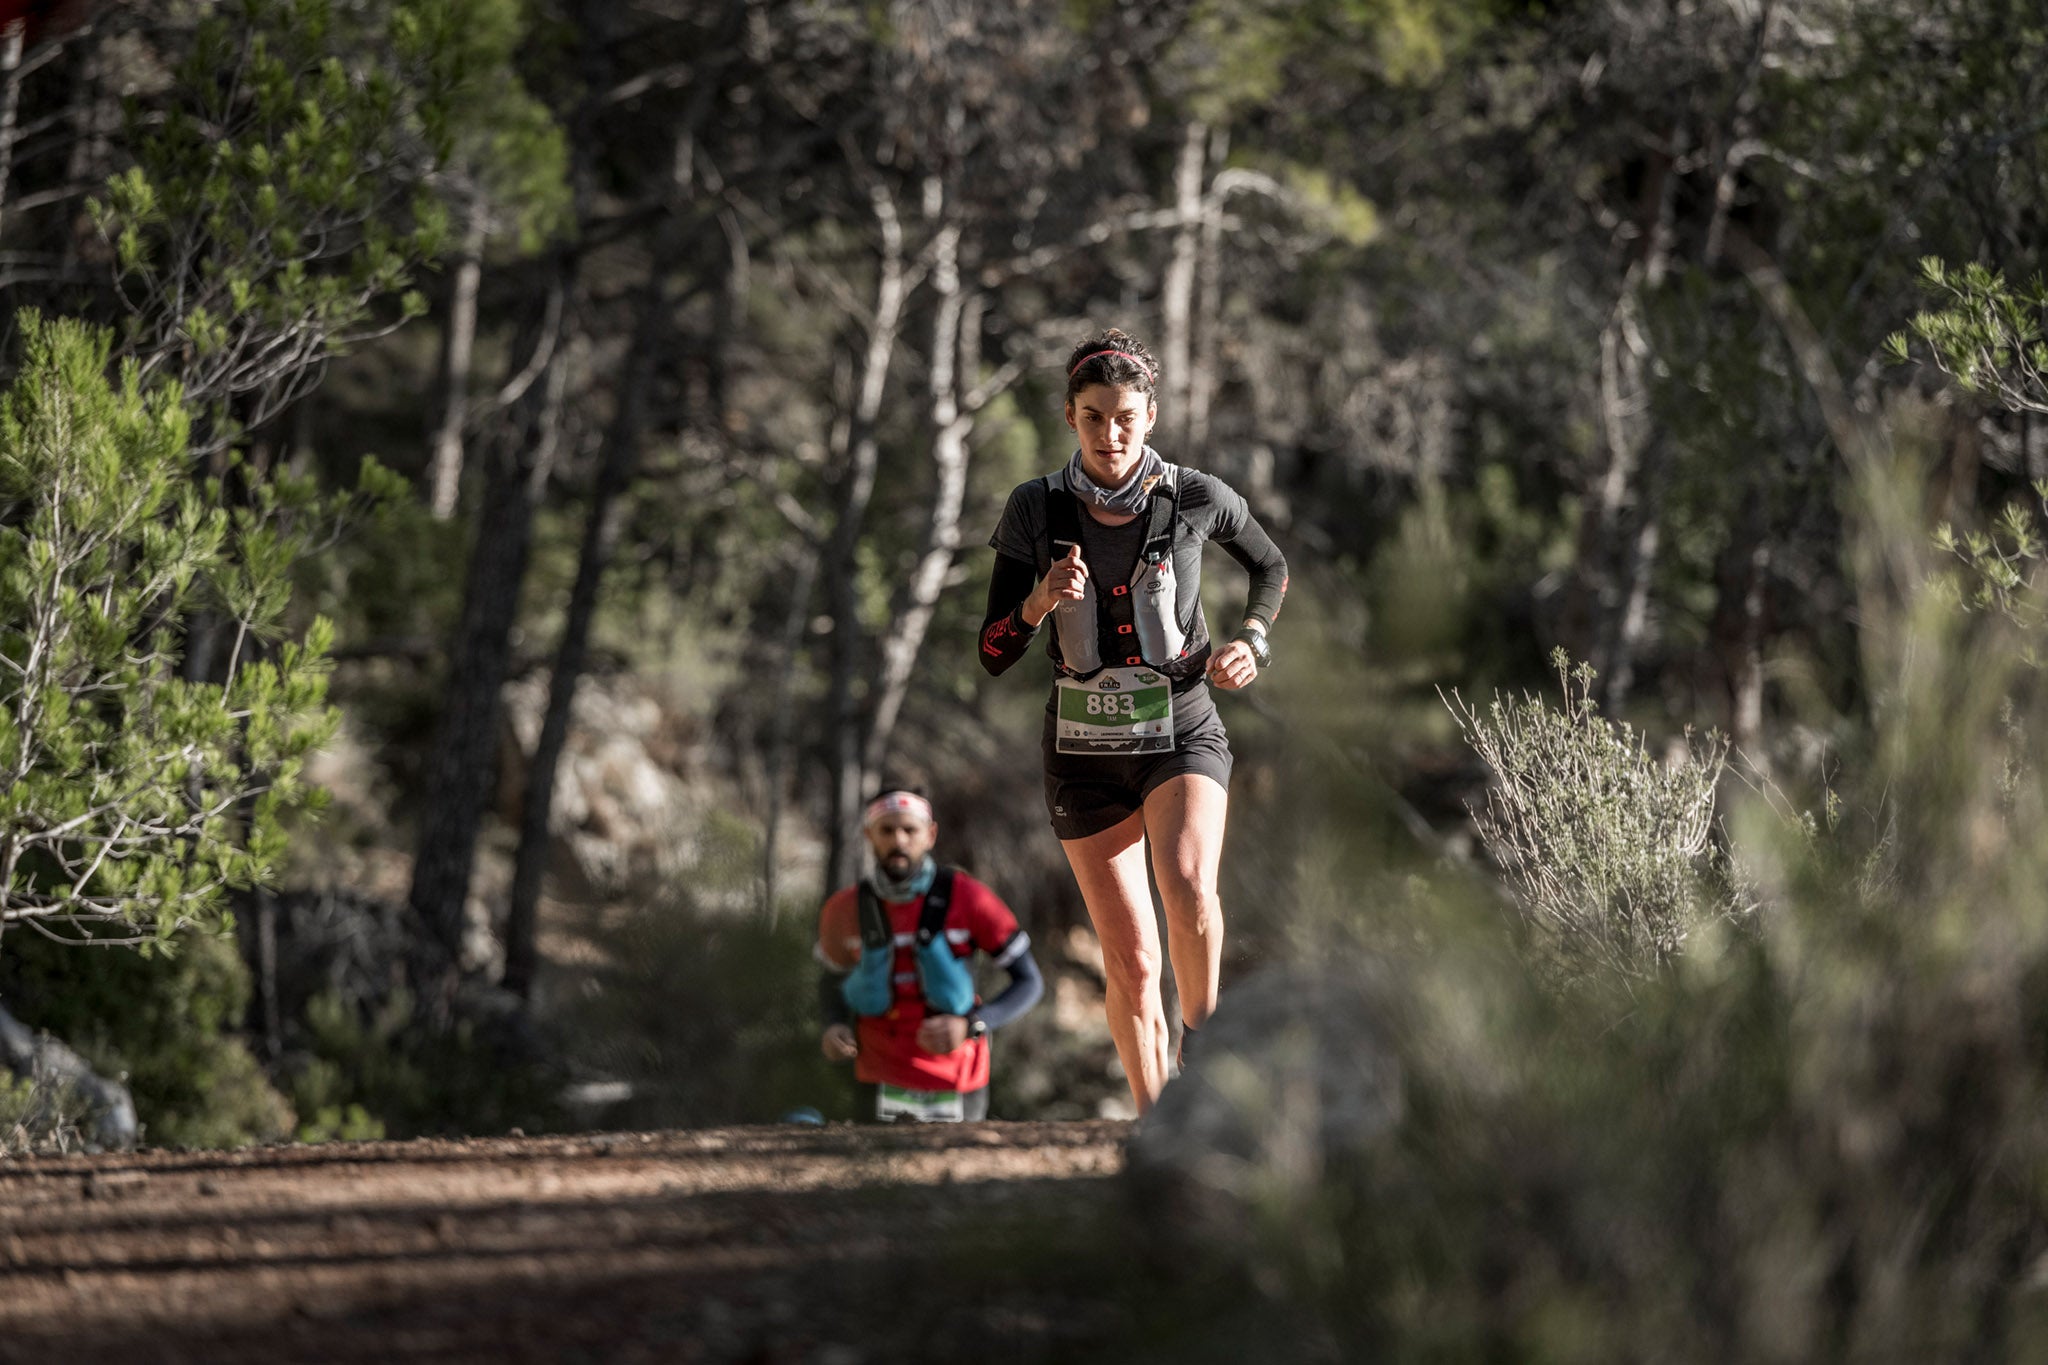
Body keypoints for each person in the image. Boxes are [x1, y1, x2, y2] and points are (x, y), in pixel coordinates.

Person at [978, 327, 1287, 1113]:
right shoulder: (1035, 508)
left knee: (1187, 886)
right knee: (1133, 960)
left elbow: (1270, 565)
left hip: (1181, 725)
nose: (1110, 435)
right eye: (1092, 417)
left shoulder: (1194, 496)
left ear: (1150, 414)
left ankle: (1204, 1043)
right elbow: (991, 649)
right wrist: (1039, 602)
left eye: (1125, 417)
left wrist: (1252, 640)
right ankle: (1158, 1125)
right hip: (1080, 752)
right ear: (1070, 418)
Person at [815, 788, 1044, 1122]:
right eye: (887, 830)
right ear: (869, 835)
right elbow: (830, 982)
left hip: (958, 1076)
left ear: (930, 834)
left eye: (910, 830)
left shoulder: (971, 899)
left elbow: (1029, 982)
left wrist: (973, 1025)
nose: (899, 841)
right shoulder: (843, 909)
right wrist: (832, 1026)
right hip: (877, 1075)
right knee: (881, 1172)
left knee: (959, 1171)